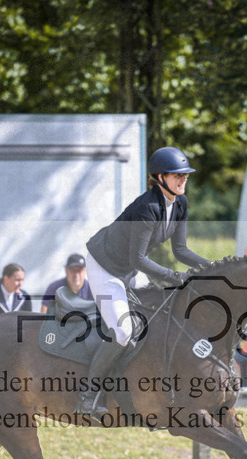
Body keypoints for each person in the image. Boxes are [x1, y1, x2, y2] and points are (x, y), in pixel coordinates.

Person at [75, 146, 211, 417]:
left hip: (127, 265)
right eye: (177, 175)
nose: (183, 179)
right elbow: (138, 260)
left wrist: (210, 268)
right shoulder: (147, 207)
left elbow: (180, 250)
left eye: (185, 175)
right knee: (124, 331)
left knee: (158, 314)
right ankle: (87, 397)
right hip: (106, 267)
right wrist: (175, 277)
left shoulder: (180, 203)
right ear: (159, 177)